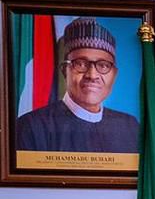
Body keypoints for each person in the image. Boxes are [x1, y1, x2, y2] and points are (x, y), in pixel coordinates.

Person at [16, 17, 139, 153]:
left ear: (114, 75)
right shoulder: (31, 127)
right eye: (80, 64)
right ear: (65, 71)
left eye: (103, 66)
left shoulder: (130, 127)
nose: (92, 75)